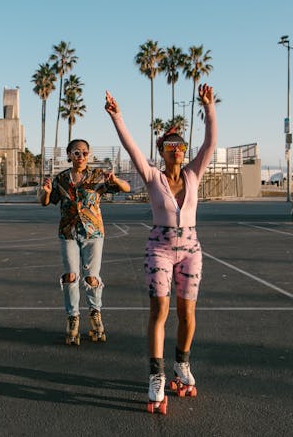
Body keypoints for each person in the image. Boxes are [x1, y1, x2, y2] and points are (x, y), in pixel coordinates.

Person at [105, 84, 216, 408]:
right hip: (160, 247)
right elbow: (131, 148)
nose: (176, 149)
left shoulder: (194, 173)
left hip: (191, 249)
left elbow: (210, 143)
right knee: (160, 311)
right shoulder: (153, 176)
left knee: (187, 312)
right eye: (170, 145)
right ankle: (156, 375)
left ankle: (182, 364)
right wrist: (118, 117)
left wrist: (209, 108)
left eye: (180, 145)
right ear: (162, 150)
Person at [39, 139, 131, 345]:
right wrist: (45, 192)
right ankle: (73, 318)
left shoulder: (98, 176)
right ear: (69, 154)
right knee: (71, 276)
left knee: (91, 276)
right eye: (77, 153)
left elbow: (126, 188)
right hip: (68, 232)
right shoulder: (61, 178)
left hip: (93, 233)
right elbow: (46, 202)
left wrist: (115, 180)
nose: (81, 157)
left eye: (85, 153)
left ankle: (95, 314)